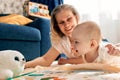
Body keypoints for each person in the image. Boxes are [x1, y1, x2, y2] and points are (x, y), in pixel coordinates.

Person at [25, 4, 120, 68]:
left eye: (69, 19)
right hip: (95, 60)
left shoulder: (87, 31)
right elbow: (45, 59)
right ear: (57, 26)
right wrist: (24, 65)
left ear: (76, 17)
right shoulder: (62, 41)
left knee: (114, 49)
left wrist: (68, 61)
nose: (66, 25)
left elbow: (91, 57)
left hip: (104, 50)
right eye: (61, 22)